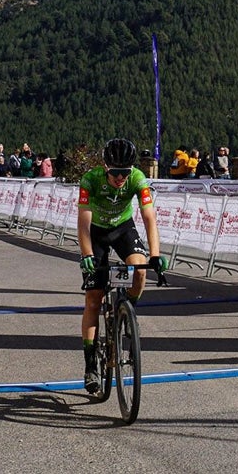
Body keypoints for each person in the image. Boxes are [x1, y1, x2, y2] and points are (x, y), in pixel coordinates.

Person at [77, 138, 167, 394]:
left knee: (139, 270)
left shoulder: (138, 178)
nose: (120, 178)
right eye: (115, 173)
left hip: (123, 229)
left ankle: (125, 313)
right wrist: (86, 254)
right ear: (106, 167)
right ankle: (91, 363)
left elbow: (149, 218)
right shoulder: (90, 180)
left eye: (124, 173)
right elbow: (83, 221)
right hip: (96, 233)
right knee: (94, 298)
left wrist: (156, 254)